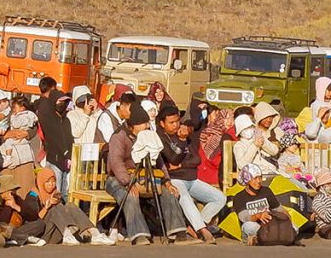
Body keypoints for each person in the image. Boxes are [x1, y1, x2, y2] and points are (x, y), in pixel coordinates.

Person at [105, 103, 188, 245]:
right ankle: (139, 234)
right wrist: (127, 183)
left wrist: (166, 181)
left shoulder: (148, 136)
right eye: (143, 124)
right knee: (130, 196)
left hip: (145, 177)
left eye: (147, 123)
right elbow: (116, 163)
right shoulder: (119, 137)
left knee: (169, 192)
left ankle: (177, 231)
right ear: (133, 125)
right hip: (118, 179)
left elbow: (159, 160)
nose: (146, 126)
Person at [156, 103, 223, 243]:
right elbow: (172, 158)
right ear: (162, 123)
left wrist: (181, 164)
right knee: (185, 198)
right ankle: (203, 231)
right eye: (171, 122)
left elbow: (197, 159)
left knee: (219, 198)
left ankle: (195, 225)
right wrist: (180, 142)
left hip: (191, 178)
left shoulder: (186, 136)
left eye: (177, 121)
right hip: (175, 179)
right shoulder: (161, 138)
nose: (175, 125)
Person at [22, 166, 114, 244]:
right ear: (41, 182)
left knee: (70, 205)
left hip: (59, 231)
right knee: (53, 209)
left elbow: (65, 212)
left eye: (53, 181)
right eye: (47, 182)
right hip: (45, 235)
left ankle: (94, 233)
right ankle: (68, 234)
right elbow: (34, 221)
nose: (51, 184)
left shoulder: (55, 193)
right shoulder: (32, 196)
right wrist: (46, 207)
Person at [233, 164, 297, 245]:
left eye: (260, 177)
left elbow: (277, 208)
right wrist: (258, 216)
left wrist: (287, 219)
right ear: (247, 180)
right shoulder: (239, 197)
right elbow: (243, 217)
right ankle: (257, 238)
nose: (259, 181)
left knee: (295, 228)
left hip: (269, 224)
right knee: (248, 227)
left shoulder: (266, 191)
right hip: (255, 225)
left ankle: (261, 239)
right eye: (255, 178)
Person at [0, 94, 39, 195]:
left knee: (24, 192)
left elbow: (33, 128)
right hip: (5, 160)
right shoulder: (1, 117)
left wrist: (27, 133)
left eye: (4, 100)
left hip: (24, 158)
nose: (2, 104)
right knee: (7, 194)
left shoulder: (23, 116)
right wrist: (6, 136)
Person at [36, 88, 73, 197]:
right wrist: (65, 152)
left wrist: (70, 154)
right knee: (54, 192)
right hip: (54, 160)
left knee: (64, 192)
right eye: (59, 101)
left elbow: (69, 138)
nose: (62, 104)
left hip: (66, 161)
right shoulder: (49, 120)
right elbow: (54, 140)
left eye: (64, 102)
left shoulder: (66, 120)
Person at [0, 172, 48, 246]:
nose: (13, 193)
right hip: (4, 230)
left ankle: (17, 238)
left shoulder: (17, 199)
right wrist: (8, 206)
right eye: (11, 190)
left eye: (14, 190)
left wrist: (17, 207)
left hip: (19, 228)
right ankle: (20, 238)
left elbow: (33, 217)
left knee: (40, 224)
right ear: (2, 192)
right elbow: (1, 221)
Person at [311, 169, 331, 238]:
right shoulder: (317, 200)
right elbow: (327, 218)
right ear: (322, 186)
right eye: (328, 184)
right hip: (326, 227)